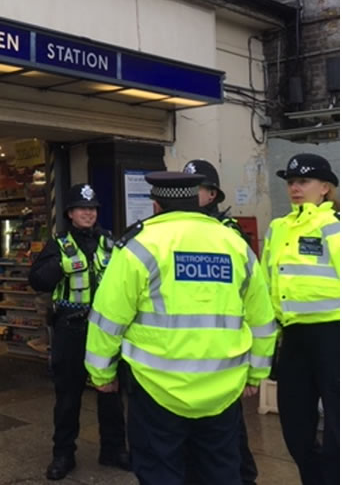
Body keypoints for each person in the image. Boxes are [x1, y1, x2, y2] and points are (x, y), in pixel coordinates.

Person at [85, 171, 277, 485]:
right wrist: (256, 374)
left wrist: (101, 375)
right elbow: (262, 320)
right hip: (222, 390)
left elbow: (108, 319)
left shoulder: (138, 246)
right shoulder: (234, 245)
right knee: (220, 471)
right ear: (196, 201)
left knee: (161, 473)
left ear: (156, 205)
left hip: (156, 390)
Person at [29, 183, 128, 480]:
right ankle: (63, 454)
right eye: (83, 208)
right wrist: (62, 264)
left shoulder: (110, 242)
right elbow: (38, 280)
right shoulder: (58, 244)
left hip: (105, 331)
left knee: (110, 393)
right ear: (70, 213)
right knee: (68, 396)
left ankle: (113, 449)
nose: (88, 213)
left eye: (92, 208)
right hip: (71, 328)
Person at [261, 153, 339, 485]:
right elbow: (266, 283)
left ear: (325, 188)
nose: (295, 188)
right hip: (292, 337)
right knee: (295, 426)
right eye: (291, 182)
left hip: (333, 336)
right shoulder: (278, 228)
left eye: (303, 181)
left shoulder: (334, 226)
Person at [183, 159, 259, 485]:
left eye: (195, 188)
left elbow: (251, 295)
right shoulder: (174, 230)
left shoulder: (229, 233)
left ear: (211, 194)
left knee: (229, 437)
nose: (187, 194)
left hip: (223, 351)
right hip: (185, 350)